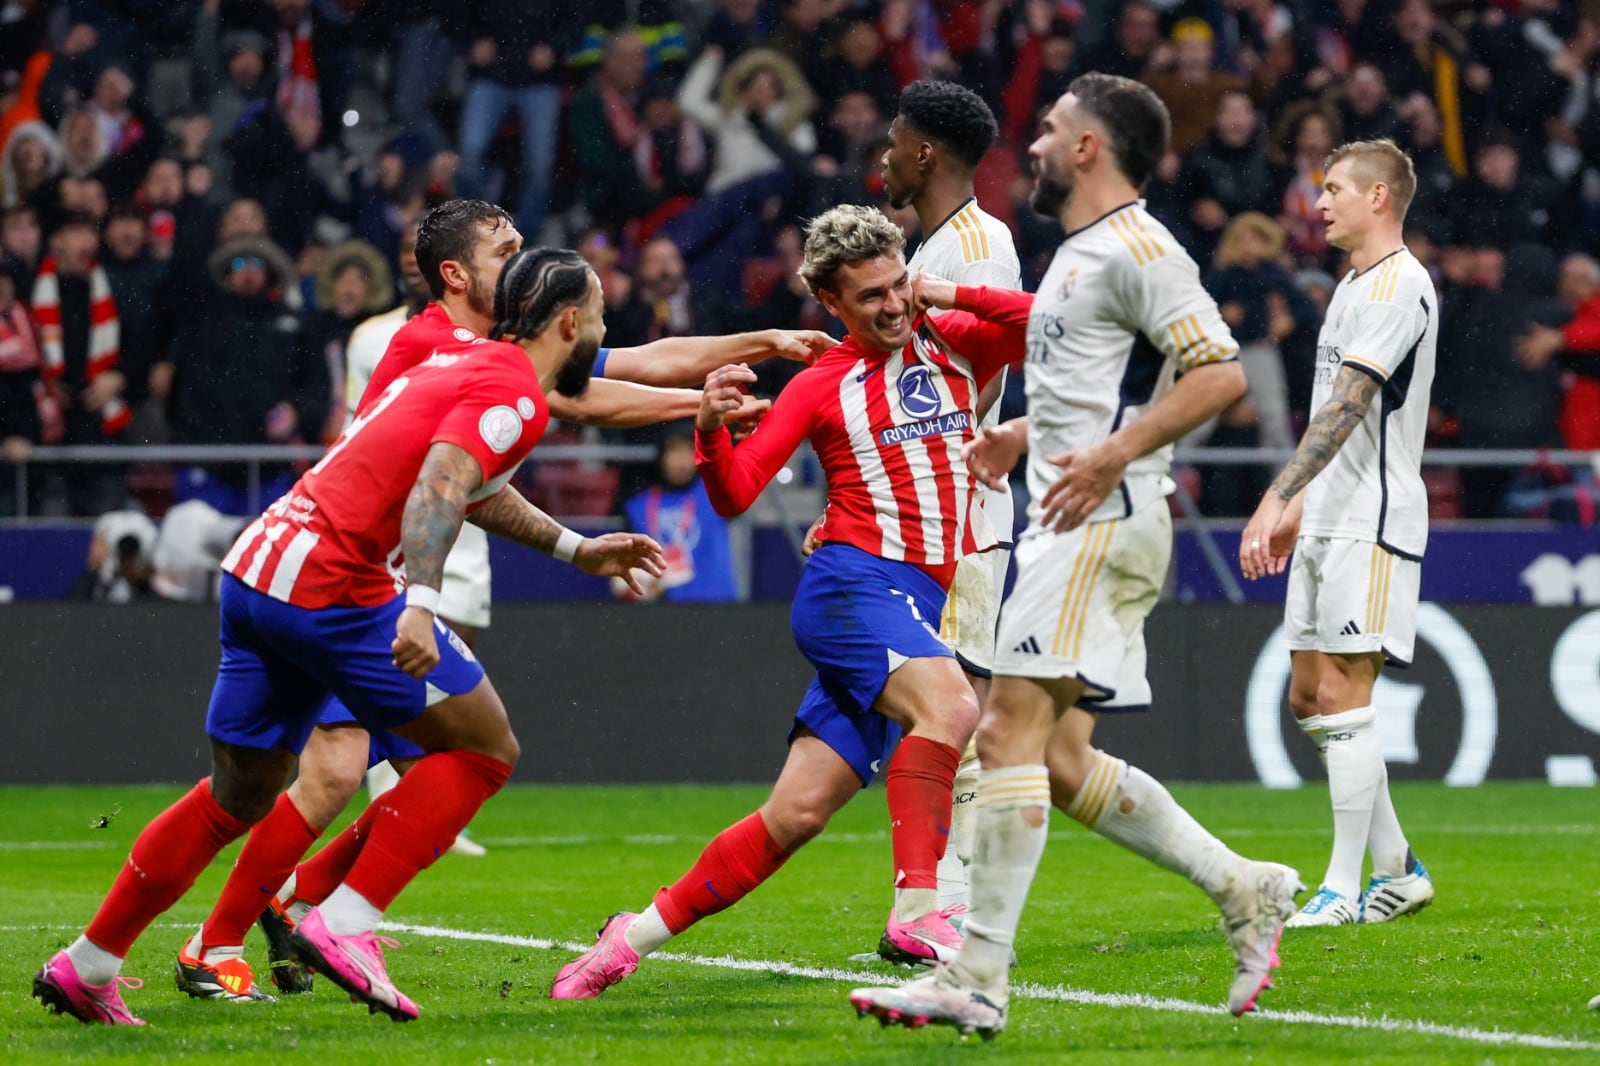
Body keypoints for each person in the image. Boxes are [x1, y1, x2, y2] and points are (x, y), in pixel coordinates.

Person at [172, 200, 829, 1003]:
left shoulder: (491, 344)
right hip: (351, 580)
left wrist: (770, 344)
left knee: (410, 766)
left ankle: (278, 908)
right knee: (369, 767)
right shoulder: (438, 342)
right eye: (504, 248)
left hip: (375, 570)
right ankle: (237, 931)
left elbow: (625, 360)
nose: (520, 258)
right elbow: (580, 397)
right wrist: (709, 404)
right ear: (456, 274)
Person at [31, 245, 666, 1026]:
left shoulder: (460, 364)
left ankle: (88, 963)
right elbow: (441, 485)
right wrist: (422, 603)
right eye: (600, 318)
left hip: (259, 567)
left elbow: (468, 486)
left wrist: (577, 548)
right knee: (481, 748)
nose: (604, 331)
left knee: (238, 796)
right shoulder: (514, 394)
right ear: (571, 322)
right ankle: (343, 922)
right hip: (335, 582)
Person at [848, 75, 1302, 1040]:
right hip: (1069, 511)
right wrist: (1021, 436)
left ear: (1091, 146)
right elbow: (1075, 384)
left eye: (1053, 131)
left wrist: (1113, 452)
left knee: (1003, 731)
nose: (1038, 146)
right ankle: (1243, 885)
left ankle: (975, 977)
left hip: (1104, 516)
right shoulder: (1077, 256)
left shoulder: (1139, 246)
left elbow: (1218, 369)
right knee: (1053, 758)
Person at [549, 202, 1027, 1000]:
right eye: (870, 294)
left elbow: (1046, 323)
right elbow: (734, 494)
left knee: (795, 818)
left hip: (905, 605)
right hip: (852, 587)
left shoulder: (954, 344)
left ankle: (626, 941)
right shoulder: (818, 385)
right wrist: (708, 430)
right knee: (951, 708)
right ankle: (919, 907)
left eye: (897, 282)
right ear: (830, 305)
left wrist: (947, 292)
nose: (892, 303)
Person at [1237, 138, 1438, 929]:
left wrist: (1274, 493)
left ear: (1379, 197)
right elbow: (1332, 410)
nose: (1318, 204)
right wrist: (1297, 505)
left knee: (1347, 697)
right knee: (1306, 697)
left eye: (1333, 190)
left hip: (1373, 519)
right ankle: (1399, 867)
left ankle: (1342, 888)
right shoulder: (1351, 285)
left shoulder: (1400, 286)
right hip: (1326, 515)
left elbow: (1351, 402)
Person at [876, 78, 1020, 938]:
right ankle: (944, 887)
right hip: (918, 510)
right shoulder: (926, 251)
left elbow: (986, 368)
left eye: (894, 143)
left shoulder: (981, 243)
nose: (884, 159)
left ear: (926, 152)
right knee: (947, 698)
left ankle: (957, 891)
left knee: (958, 696)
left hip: (961, 506)